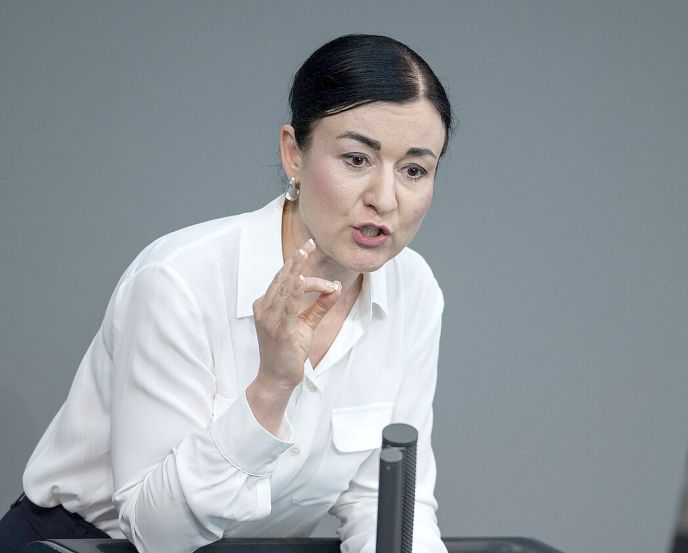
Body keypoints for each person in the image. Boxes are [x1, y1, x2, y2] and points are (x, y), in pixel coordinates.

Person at [0, 34, 452, 553]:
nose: (384, 198)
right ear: (294, 155)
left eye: (414, 170)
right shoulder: (179, 281)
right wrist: (272, 386)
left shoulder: (414, 289)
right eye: (356, 159)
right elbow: (157, 534)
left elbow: (385, 504)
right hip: (78, 545)